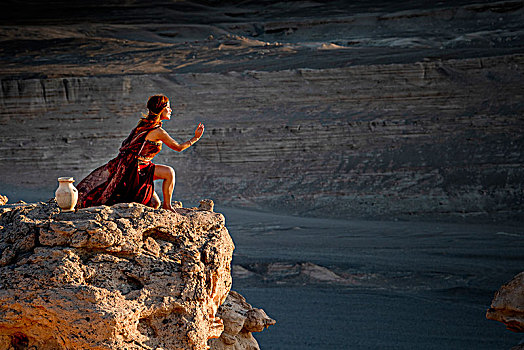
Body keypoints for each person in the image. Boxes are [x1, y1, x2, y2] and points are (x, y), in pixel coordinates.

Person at [76, 94, 204, 212]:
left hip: (134, 168)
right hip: (136, 171)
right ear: (161, 109)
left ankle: (158, 207)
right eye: (168, 107)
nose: (171, 110)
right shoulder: (158, 131)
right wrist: (195, 138)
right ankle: (168, 206)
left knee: (154, 204)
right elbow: (178, 147)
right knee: (169, 172)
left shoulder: (143, 125)